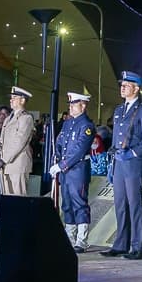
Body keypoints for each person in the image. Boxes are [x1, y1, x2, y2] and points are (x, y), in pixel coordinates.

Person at [103, 70, 142, 260]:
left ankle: (138, 246)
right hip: (119, 162)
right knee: (120, 204)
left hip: (133, 163)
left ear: (136, 88)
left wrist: (132, 153)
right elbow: (117, 136)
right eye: (122, 85)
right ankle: (121, 244)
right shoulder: (119, 110)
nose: (122, 87)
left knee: (134, 205)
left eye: (126, 85)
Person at [51, 91, 97, 250]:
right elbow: (60, 143)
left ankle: (81, 240)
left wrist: (62, 165)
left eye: (73, 104)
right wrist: (57, 158)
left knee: (79, 203)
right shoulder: (68, 123)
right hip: (65, 171)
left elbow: (79, 150)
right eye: (69, 104)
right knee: (67, 204)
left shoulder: (87, 126)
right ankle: (70, 237)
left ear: (83, 106)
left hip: (77, 170)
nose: (70, 107)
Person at [0, 88, 37, 197]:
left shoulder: (26, 118)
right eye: (11, 98)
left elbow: (19, 142)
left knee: (18, 200)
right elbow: (0, 140)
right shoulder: (8, 119)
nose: (11, 100)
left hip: (17, 165)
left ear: (22, 100)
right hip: (5, 166)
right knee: (7, 199)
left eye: (14, 98)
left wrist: (3, 160)